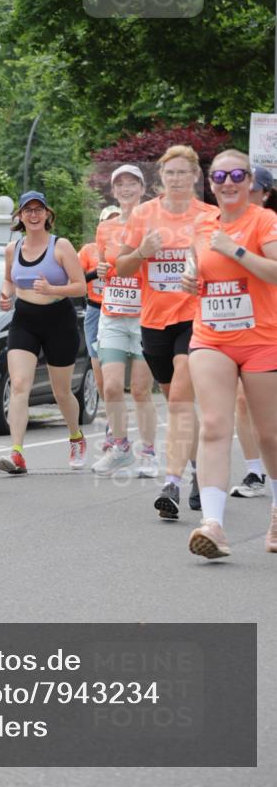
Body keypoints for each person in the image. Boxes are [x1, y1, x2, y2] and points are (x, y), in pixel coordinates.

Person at [180, 149, 277, 558]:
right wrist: (189, 277)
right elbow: (195, 263)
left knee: (269, 433)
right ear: (211, 183)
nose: (228, 182)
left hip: (262, 338)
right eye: (220, 177)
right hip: (211, 336)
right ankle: (214, 525)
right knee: (215, 425)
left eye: (238, 174)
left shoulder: (265, 221)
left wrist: (234, 249)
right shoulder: (201, 224)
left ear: (251, 183)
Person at [116, 145, 218, 520]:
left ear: (195, 177)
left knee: (179, 399)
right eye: (169, 173)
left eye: (182, 172)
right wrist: (142, 251)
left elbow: (223, 266)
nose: (176, 179)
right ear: (161, 178)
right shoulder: (144, 215)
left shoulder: (210, 216)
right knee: (176, 400)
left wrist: (203, 275)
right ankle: (195, 469)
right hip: (154, 321)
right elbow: (122, 270)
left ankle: (172, 483)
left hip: (196, 318)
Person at [0, 191, 87, 474]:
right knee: (20, 384)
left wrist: (52, 290)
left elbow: (81, 286)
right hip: (24, 319)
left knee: (61, 391)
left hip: (59, 320)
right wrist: (5, 293)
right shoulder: (13, 248)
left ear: (48, 214)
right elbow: (9, 279)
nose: (33, 215)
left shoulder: (61, 246)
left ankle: (75, 436)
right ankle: (17, 454)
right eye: (28, 210)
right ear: (20, 216)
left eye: (39, 210)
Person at [91, 165, 157, 479]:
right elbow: (104, 264)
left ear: (142, 189)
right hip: (113, 314)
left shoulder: (154, 223)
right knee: (113, 386)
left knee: (142, 390)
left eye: (132, 183)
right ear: (114, 191)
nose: (126, 189)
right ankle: (120, 447)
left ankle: (149, 452)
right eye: (121, 184)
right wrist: (103, 271)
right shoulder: (106, 228)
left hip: (145, 315)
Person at [229, 165, 275, 498]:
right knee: (243, 402)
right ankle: (254, 472)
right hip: (246, 328)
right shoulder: (228, 227)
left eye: (254, 189)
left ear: (265, 193)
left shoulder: (269, 225)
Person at [78, 204, 121, 455]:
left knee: (122, 377)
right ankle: (112, 426)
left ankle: (116, 432)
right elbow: (73, 278)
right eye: (109, 221)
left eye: (118, 220)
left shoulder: (130, 247)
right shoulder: (89, 250)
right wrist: (96, 272)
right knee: (101, 376)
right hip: (96, 311)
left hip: (124, 313)